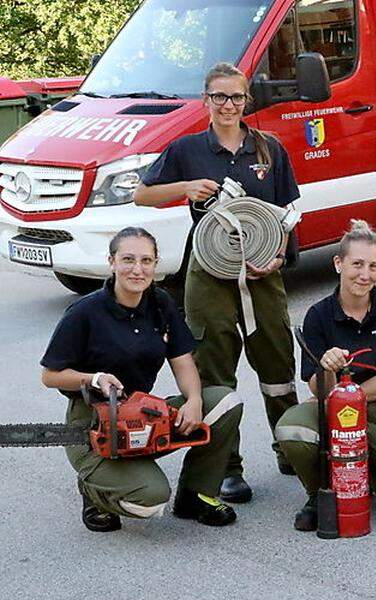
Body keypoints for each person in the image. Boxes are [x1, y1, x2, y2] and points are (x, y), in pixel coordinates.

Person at [134, 62, 301, 504]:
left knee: (278, 366)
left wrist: (280, 255)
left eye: (237, 97)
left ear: (247, 101)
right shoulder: (188, 149)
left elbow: (287, 211)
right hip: (208, 274)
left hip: (262, 273)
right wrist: (185, 187)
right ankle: (227, 466)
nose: (229, 105)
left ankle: (292, 445)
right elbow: (141, 193)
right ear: (205, 100)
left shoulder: (269, 148)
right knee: (214, 371)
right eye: (219, 97)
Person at [40, 228, 243, 532]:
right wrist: (94, 378)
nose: (138, 269)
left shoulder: (160, 303)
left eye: (146, 260)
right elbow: (50, 375)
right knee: (150, 500)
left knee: (226, 402)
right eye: (128, 259)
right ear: (112, 262)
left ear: (156, 263)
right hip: (93, 423)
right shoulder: (85, 312)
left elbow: (183, 360)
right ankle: (95, 493)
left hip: (141, 413)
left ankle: (195, 494)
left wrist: (194, 400)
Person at [274, 221, 376, 530]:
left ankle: (372, 470)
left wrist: (351, 396)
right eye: (357, 264)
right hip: (333, 408)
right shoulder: (318, 315)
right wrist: (327, 368)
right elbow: (315, 386)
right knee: (292, 429)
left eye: (374, 266)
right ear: (338, 264)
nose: (366, 275)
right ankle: (322, 492)